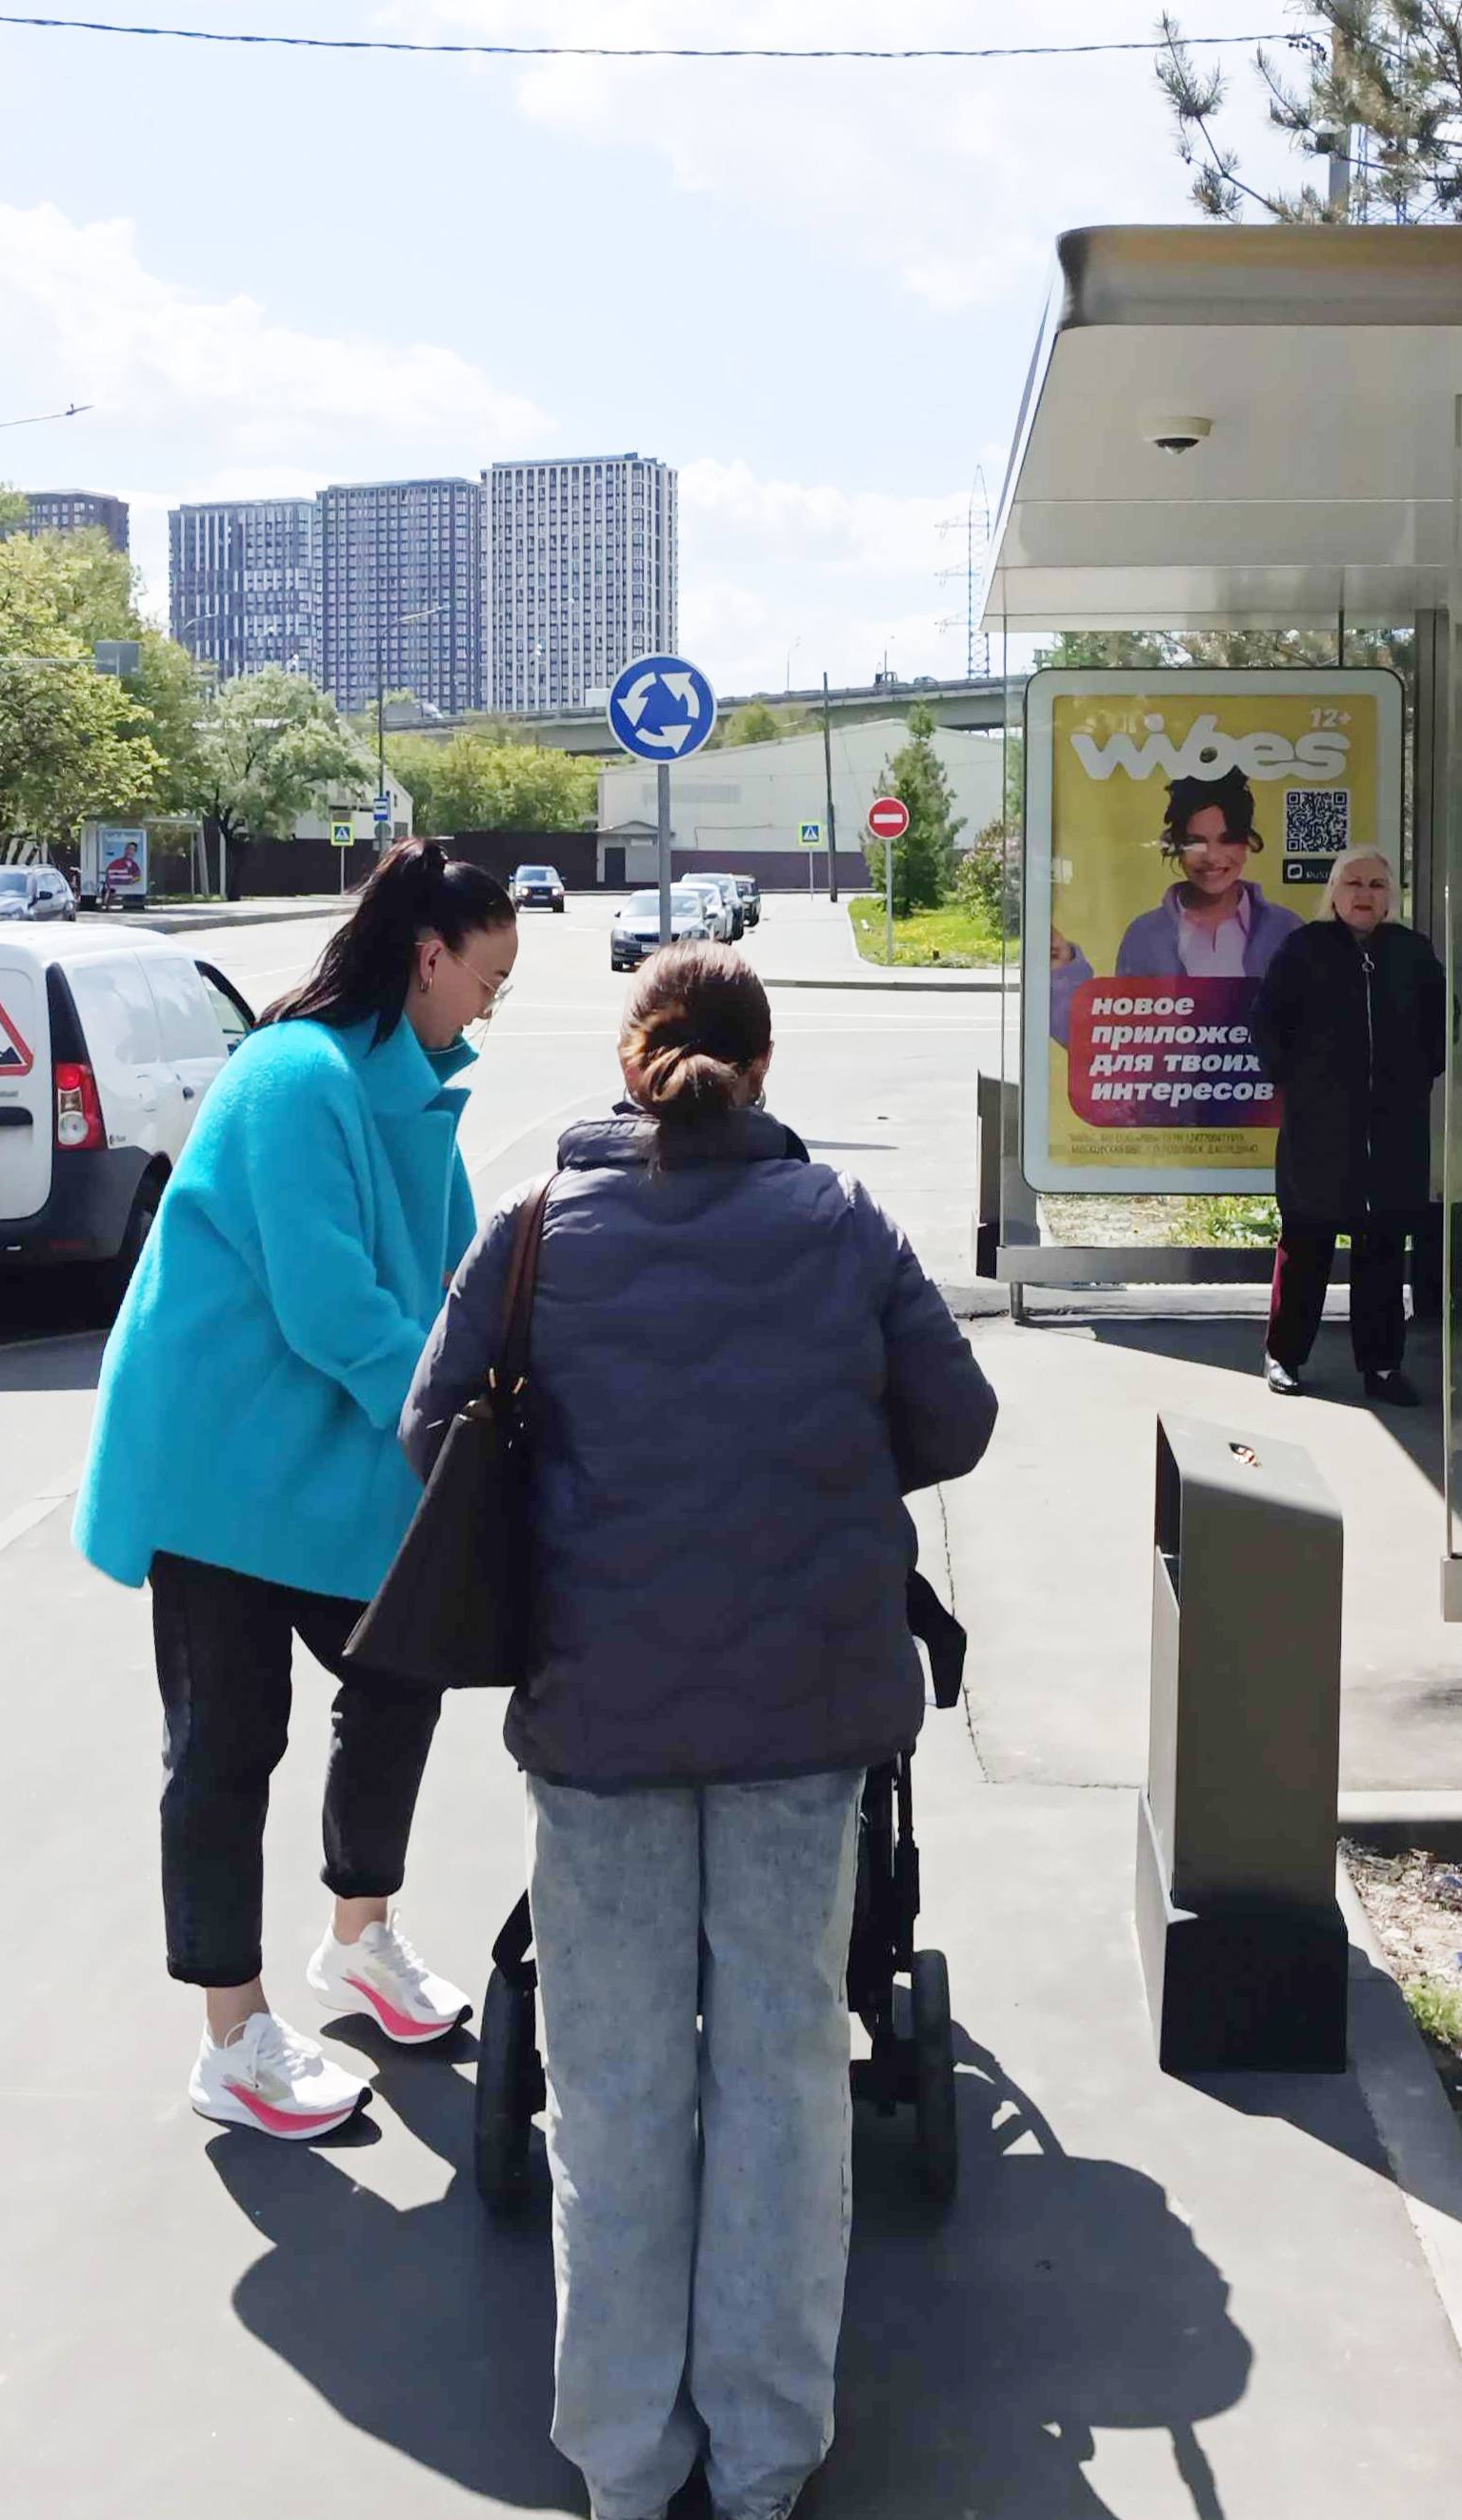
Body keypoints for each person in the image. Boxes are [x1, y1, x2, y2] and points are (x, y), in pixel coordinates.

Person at [404, 942, 997, 2520]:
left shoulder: (533, 1231)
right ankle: (763, 2456)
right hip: (803, 1726)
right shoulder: (841, 1224)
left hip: (598, 1721)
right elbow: (956, 1422)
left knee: (611, 2094)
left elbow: (426, 1434)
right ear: (762, 1065)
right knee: (785, 2078)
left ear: (628, 1059)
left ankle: (620, 2458)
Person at [70, 837, 521, 2140]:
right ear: (427, 957)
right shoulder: (292, 1074)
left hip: (321, 1458)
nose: (495, 1002)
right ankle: (231, 2031)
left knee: (398, 1675)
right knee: (225, 1741)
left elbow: (440, 1295)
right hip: (218, 1464)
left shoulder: (412, 1087)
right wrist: (455, 1432)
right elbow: (338, 1309)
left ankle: (358, 1935)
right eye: (489, 974)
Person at [1248, 844, 1446, 1403]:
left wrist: (1416, 1078)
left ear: (1391, 897)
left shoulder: (1412, 952)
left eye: (1377, 885)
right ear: (1332, 894)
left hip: (1393, 1131)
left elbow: (1440, 1022)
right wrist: (1299, 1083)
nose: (1364, 895)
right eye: (1353, 883)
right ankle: (1284, 1355)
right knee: (1306, 1243)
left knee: (1383, 1247)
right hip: (1319, 1130)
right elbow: (1268, 1023)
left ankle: (1382, 1367)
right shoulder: (1303, 949)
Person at [1044, 767, 1306, 1043]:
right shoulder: (1145, 935)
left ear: (1246, 844)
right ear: (1176, 847)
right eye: (1195, 842)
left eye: (1228, 840)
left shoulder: (1286, 930)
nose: (1212, 857)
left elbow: (1315, 1031)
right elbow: (1116, 1045)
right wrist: (1064, 971)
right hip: (1171, 1086)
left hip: (1264, 1087)